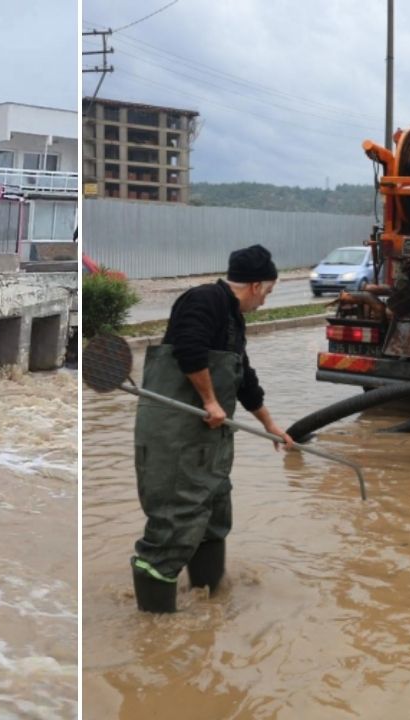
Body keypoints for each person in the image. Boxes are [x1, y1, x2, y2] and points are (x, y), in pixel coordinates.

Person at [131, 244, 296, 613]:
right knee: (174, 522)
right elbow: (189, 350)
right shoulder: (202, 300)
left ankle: (209, 600)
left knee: (213, 515)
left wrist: (271, 425)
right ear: (255, 286)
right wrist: (209, 400)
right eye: (268, 293)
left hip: (210, 441)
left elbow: (244, 378)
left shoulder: (234, 319)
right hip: (177, 438)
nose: (265, 303)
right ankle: (156, 629)